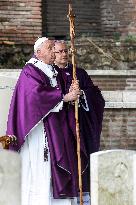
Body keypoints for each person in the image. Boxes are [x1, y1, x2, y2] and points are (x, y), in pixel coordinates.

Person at [6, 37, 83, 205]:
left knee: (53, 169)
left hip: (54, 128)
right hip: (37, 130)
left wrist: (70, 91)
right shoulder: (30, 70)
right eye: (49, 48)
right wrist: (63, 97)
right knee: (40, 169)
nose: (53, 51)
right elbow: (34, 96)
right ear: (38, 52)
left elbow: (60, 94)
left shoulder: (51, 69)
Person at [53, 40, 105, 203]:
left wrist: (82, 93)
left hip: (80, 125)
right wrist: (67, 95)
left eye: (65, 51)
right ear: (52, 54)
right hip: (61, 127)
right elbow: (47, 97)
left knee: (82, 159)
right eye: (60, 52)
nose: (64, 54)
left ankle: (83, 197)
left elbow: (96, 95)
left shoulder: (79, 73)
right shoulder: (50, 73)